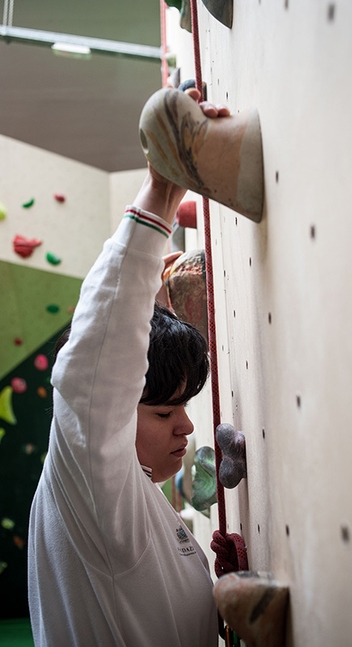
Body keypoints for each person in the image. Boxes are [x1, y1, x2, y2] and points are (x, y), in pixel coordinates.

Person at [28, 90, 230, 646]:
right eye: (166, 410)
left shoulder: (127, 494)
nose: (186, 427)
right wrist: (162, 190)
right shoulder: (97, 481)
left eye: (183, 406)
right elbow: (99, 359)